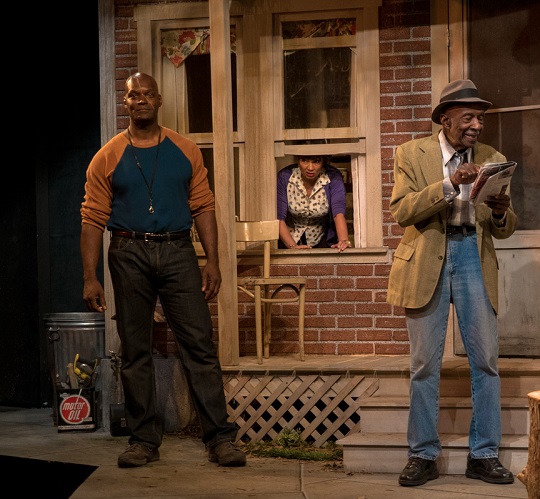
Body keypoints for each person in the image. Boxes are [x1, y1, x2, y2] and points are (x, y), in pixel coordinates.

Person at [81, 72, 246, 469]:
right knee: (135, 349)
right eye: (132, 95)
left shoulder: (185, 149)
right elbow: (91, 219)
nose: (139, 100)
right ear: (125, 103)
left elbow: (203, 205)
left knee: (199, 345)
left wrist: (213, 261)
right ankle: (143, 440)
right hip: (128, 250)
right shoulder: (107, 156)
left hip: (177, 249)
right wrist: (90, 276)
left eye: (146, 94)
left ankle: (220, 438)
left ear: (159, 100)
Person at [387, 79, 517, 487]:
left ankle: (484, 454)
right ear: (445, 119)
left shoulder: (493, 158)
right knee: (425, 363)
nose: (477, 125)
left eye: (480, 118)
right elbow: (402, 211)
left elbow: (505, 229)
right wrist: (449, 185)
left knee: (486, 362)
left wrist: (500, 211)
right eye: (469, 117)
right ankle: (422, 454)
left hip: (473, 257)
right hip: (428, 258)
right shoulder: (411, 153)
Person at [277, 155, 351, 252]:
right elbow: (279, 218)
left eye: (316, 161)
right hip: (289, 237)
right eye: (304, 161)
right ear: (298, 161)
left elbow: (338, 213)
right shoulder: (285, 176)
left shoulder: (333, 177)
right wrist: (293, 247)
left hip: (320, 238)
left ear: (323, 162)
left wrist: (343, 241)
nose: (310, 168)